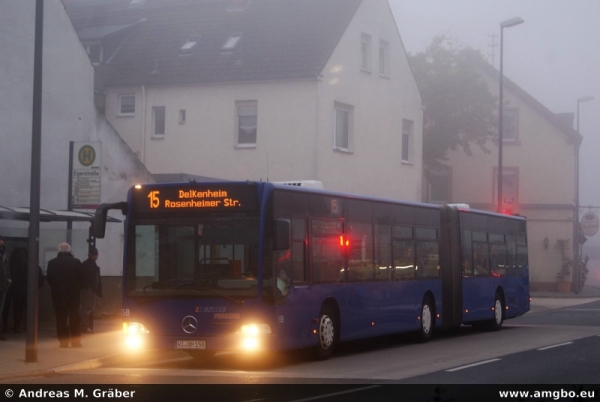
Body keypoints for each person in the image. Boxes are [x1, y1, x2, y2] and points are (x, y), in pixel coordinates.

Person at [47, 243, 84, 348]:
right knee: (74, 318)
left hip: (58, 295)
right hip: (74, 295)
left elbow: (49, 279)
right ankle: (75, 341)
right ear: (69, 250)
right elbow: (82, 279)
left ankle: (63, 341)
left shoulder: (52, 263)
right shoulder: (76, 262)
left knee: (61, 318)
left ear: (58, 251)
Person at [80, 247, 102, 333]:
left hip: (89, 288)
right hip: (89, 289)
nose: (95, 256)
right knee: (87, 308)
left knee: (87, 308)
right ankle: (85, 327)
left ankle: (85, 326)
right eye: (95, 255)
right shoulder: (92, 265)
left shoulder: (86, 264)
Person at [0, 236, 12, 341]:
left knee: (1, 309)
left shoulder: (4, 254)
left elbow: (6, 269)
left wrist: (8, 280)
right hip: (3, 285)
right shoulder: (4, 254)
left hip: (3, 286)